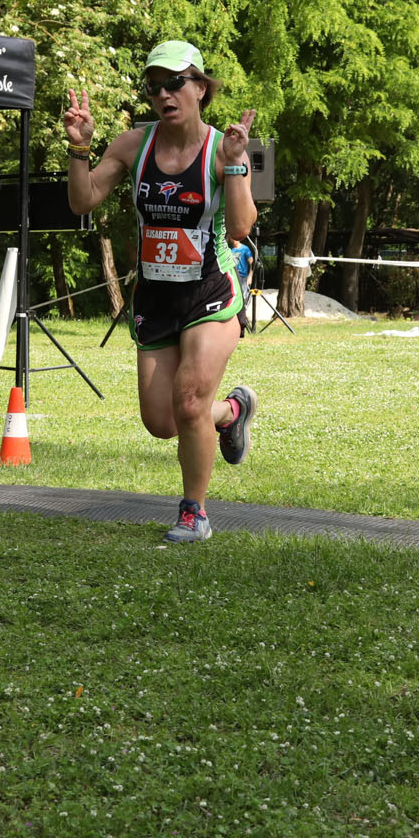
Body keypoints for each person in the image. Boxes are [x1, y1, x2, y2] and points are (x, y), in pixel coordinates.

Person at [64, 39, 258, 544]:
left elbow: (240, 228)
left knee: (189, 401)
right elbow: (83, 201)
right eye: (154, 87)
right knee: (164, 421)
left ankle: (194, 512)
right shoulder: (133, 145)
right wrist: (79, 149)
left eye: (175, 83)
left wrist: (237, 164)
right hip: (154, 297)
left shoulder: (223, 148)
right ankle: (232, 412)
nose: (164, 95)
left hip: (209, 292)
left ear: (201, 88)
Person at [230, 235, 256, 332]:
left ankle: (243, 319)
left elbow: (252, 264)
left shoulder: (245, 249)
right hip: (233, 276)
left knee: (243, 297)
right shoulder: (230, 250)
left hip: (243, 277)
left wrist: (250, 276)